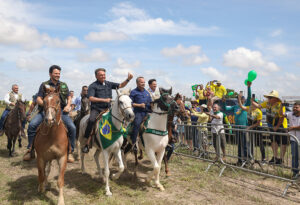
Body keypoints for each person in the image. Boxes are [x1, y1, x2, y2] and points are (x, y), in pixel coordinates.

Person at [23, 65, 76, 163]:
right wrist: (47, 105)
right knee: (32, 125)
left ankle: (70, 151)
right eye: (56, 73)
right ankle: (30, 149)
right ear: (50, 74)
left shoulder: (63, 85)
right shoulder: (44, 84)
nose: (58, 75)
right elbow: (38, 98)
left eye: (59, 73)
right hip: (45, 111)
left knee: (72, 128)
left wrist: (68, 105)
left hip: (61, 113)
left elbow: (69, 97)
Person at [81, 68, 133, 153]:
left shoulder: (108, 83)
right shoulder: (93, 86)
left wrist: (128, 79)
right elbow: (90, 98)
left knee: (121, 119)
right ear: (96, 76)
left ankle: (121, 141)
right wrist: (104, 100)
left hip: (108, 109)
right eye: (101, 75)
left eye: (104, 74)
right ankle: (87, 142)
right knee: (91, 120)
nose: (103, 76)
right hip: (97, 109)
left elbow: (121, 85)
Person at [252, 90, 288, 164]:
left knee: (283, 142)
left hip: (281, 126)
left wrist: (277, 126)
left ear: (275, 98)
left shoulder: (280, 105)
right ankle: (274, 157)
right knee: (273, 141)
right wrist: (252, 101)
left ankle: (281, 159)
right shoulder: (267, 103)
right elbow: (259, 106)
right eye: (268, 97)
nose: (269, 99)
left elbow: (282, 117)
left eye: (270, 97)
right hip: (272, 125)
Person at [223, 82, 252, 165]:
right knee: (239, 145)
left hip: (244, 128)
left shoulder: (246, 105)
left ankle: (247, 161)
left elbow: (249, 97)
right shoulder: (235, 107)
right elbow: (226, 108)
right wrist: (224, 102)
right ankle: (239, 160)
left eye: (242, 98)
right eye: (240, 98)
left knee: (245, 145)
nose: (241, 99)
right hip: (237, 128)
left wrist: (249, 87)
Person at [124, 77, 152, 153]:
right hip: (138, 113)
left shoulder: (147, 92)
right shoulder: (133, 92)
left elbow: (150, 103)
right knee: (136, 124)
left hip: (147, 112)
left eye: (144, 82)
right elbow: (130, 103)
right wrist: (139, 105)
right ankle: (134, 144)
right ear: (137, 83)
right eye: (141, 82)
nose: (143, 83)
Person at [238, 94, 265, 162]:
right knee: (251, 143)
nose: (253, 104)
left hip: (258, 128)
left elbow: (258, 123)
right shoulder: (249, 108)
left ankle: (263, 158)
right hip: (251, 128)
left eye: (254, 103)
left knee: (260, 143)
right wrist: (239, 98)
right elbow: (241, 106)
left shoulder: (259, 112)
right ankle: (251, 157)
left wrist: (249, 127)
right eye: (252, 103)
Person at [282, 102, 300, 179]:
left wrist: (292, 128)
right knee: (294, 157)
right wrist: (281, 106)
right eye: (294, 107)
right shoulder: (290, 114)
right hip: (294, 140)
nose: (294, 108)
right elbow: (281, 114)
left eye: (297, 107)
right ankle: (295, 173)